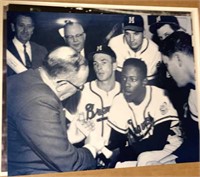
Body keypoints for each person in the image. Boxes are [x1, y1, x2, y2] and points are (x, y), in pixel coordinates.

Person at [7, 46, 105, 176]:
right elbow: (70, 165)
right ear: (62, 84)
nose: (78, 91)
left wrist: (68, 137)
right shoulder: (41, 101)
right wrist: (92, 147)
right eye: (79, 87)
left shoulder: (27, 77)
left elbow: (29, 139)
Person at [107, 58, 182, 166]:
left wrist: (121, 153)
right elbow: (117, 140)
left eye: (132, 79)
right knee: (119, 166)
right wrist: (106, 154)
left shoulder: (159, 96)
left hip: (171, 147)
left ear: (144, 82)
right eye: (124, 78)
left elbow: (158, 142)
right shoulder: (119, 100)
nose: (126, 84)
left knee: (144, 159)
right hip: (143, 150)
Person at [159, 31, 199, 163]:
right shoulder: (193, 96)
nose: (168, 74)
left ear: (178, 59)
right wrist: (164, 162)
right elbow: (195, 144)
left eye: (166, 65)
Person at [108, 14, 161, 83]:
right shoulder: (114, 44)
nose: (132, 39)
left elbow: (150, 82)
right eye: (127, 34)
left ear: (144, 33)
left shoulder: (154, 51)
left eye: (136, 34)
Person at [7, 12, 48, 77]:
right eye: (21, 25)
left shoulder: (42, 50)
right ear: (13, 27)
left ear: (33, 29)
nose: (25, 30)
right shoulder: (4, 50)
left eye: (29, 26)